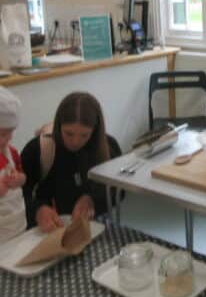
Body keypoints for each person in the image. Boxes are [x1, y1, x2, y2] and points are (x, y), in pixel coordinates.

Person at [21, 92, 121, 231]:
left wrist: (93, 200)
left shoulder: (108, 146)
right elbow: (17, 195)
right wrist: (37, 209)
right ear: (58, 125)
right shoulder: (39, 150)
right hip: (49, 231)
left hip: (92, 228)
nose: (75, 142)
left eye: (84, 135)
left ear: (95, 130)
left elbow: (119, 190)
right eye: (68, 133)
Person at [0, 86, 26, 244]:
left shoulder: (12, 153)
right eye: (2, 134)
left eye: (11, 132)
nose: (9, 138)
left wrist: (20, 179)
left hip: (17, 224)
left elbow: (24, 177)